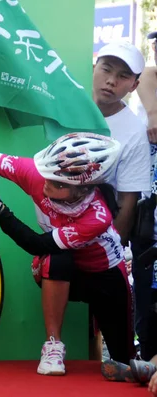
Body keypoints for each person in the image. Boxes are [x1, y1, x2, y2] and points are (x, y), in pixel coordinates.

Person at [0, 132, 135, 376]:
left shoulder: (97, 216)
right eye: (48, 175)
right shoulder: (37, 174)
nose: (47, 184)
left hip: (106, 277)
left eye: (58, 183)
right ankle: (53, 346)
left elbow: (36, 244)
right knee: (58, 258)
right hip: (62, 270)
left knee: (124, 366)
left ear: (83, 189)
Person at [92, 41, 153, 369]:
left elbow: (128, 204)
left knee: (121, 361)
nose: (111, 81)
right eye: (106, 70)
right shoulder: (66, 105)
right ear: (94, 67)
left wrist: (109, 253)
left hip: (103, 238)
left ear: (134, 84)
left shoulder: (133, 132)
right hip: (55, 232)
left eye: (122, 76)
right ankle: (53, 344)